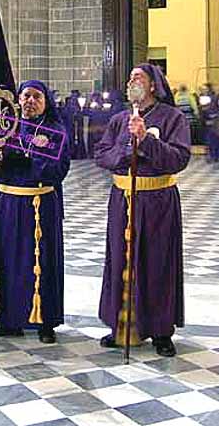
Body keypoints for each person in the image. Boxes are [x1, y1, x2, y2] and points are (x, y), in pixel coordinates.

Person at [95, 64, 190, 357]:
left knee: (157, 261)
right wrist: (126, 152)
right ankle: (120, 325)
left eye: (139, 77)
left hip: (157, 201)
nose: (131, 81)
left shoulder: (173, 118)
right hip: (123, 198)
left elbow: (180, 158)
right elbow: (101, 154)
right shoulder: (119, 119)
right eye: (130, 77)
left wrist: (147, 140)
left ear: (153, 85)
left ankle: (161, 330)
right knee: (121, 259)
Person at [0, 80, 70, 344]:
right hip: (8, 205)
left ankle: (45, 321)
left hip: (40, 206)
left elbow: (58, 169)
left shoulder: (56, 131)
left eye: (37, 96)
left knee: (41, 263)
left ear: (46, 101)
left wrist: (30, 163)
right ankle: (8, 319)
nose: (30, 101)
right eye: (26, 96)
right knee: (7, 261)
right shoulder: (5, 128)